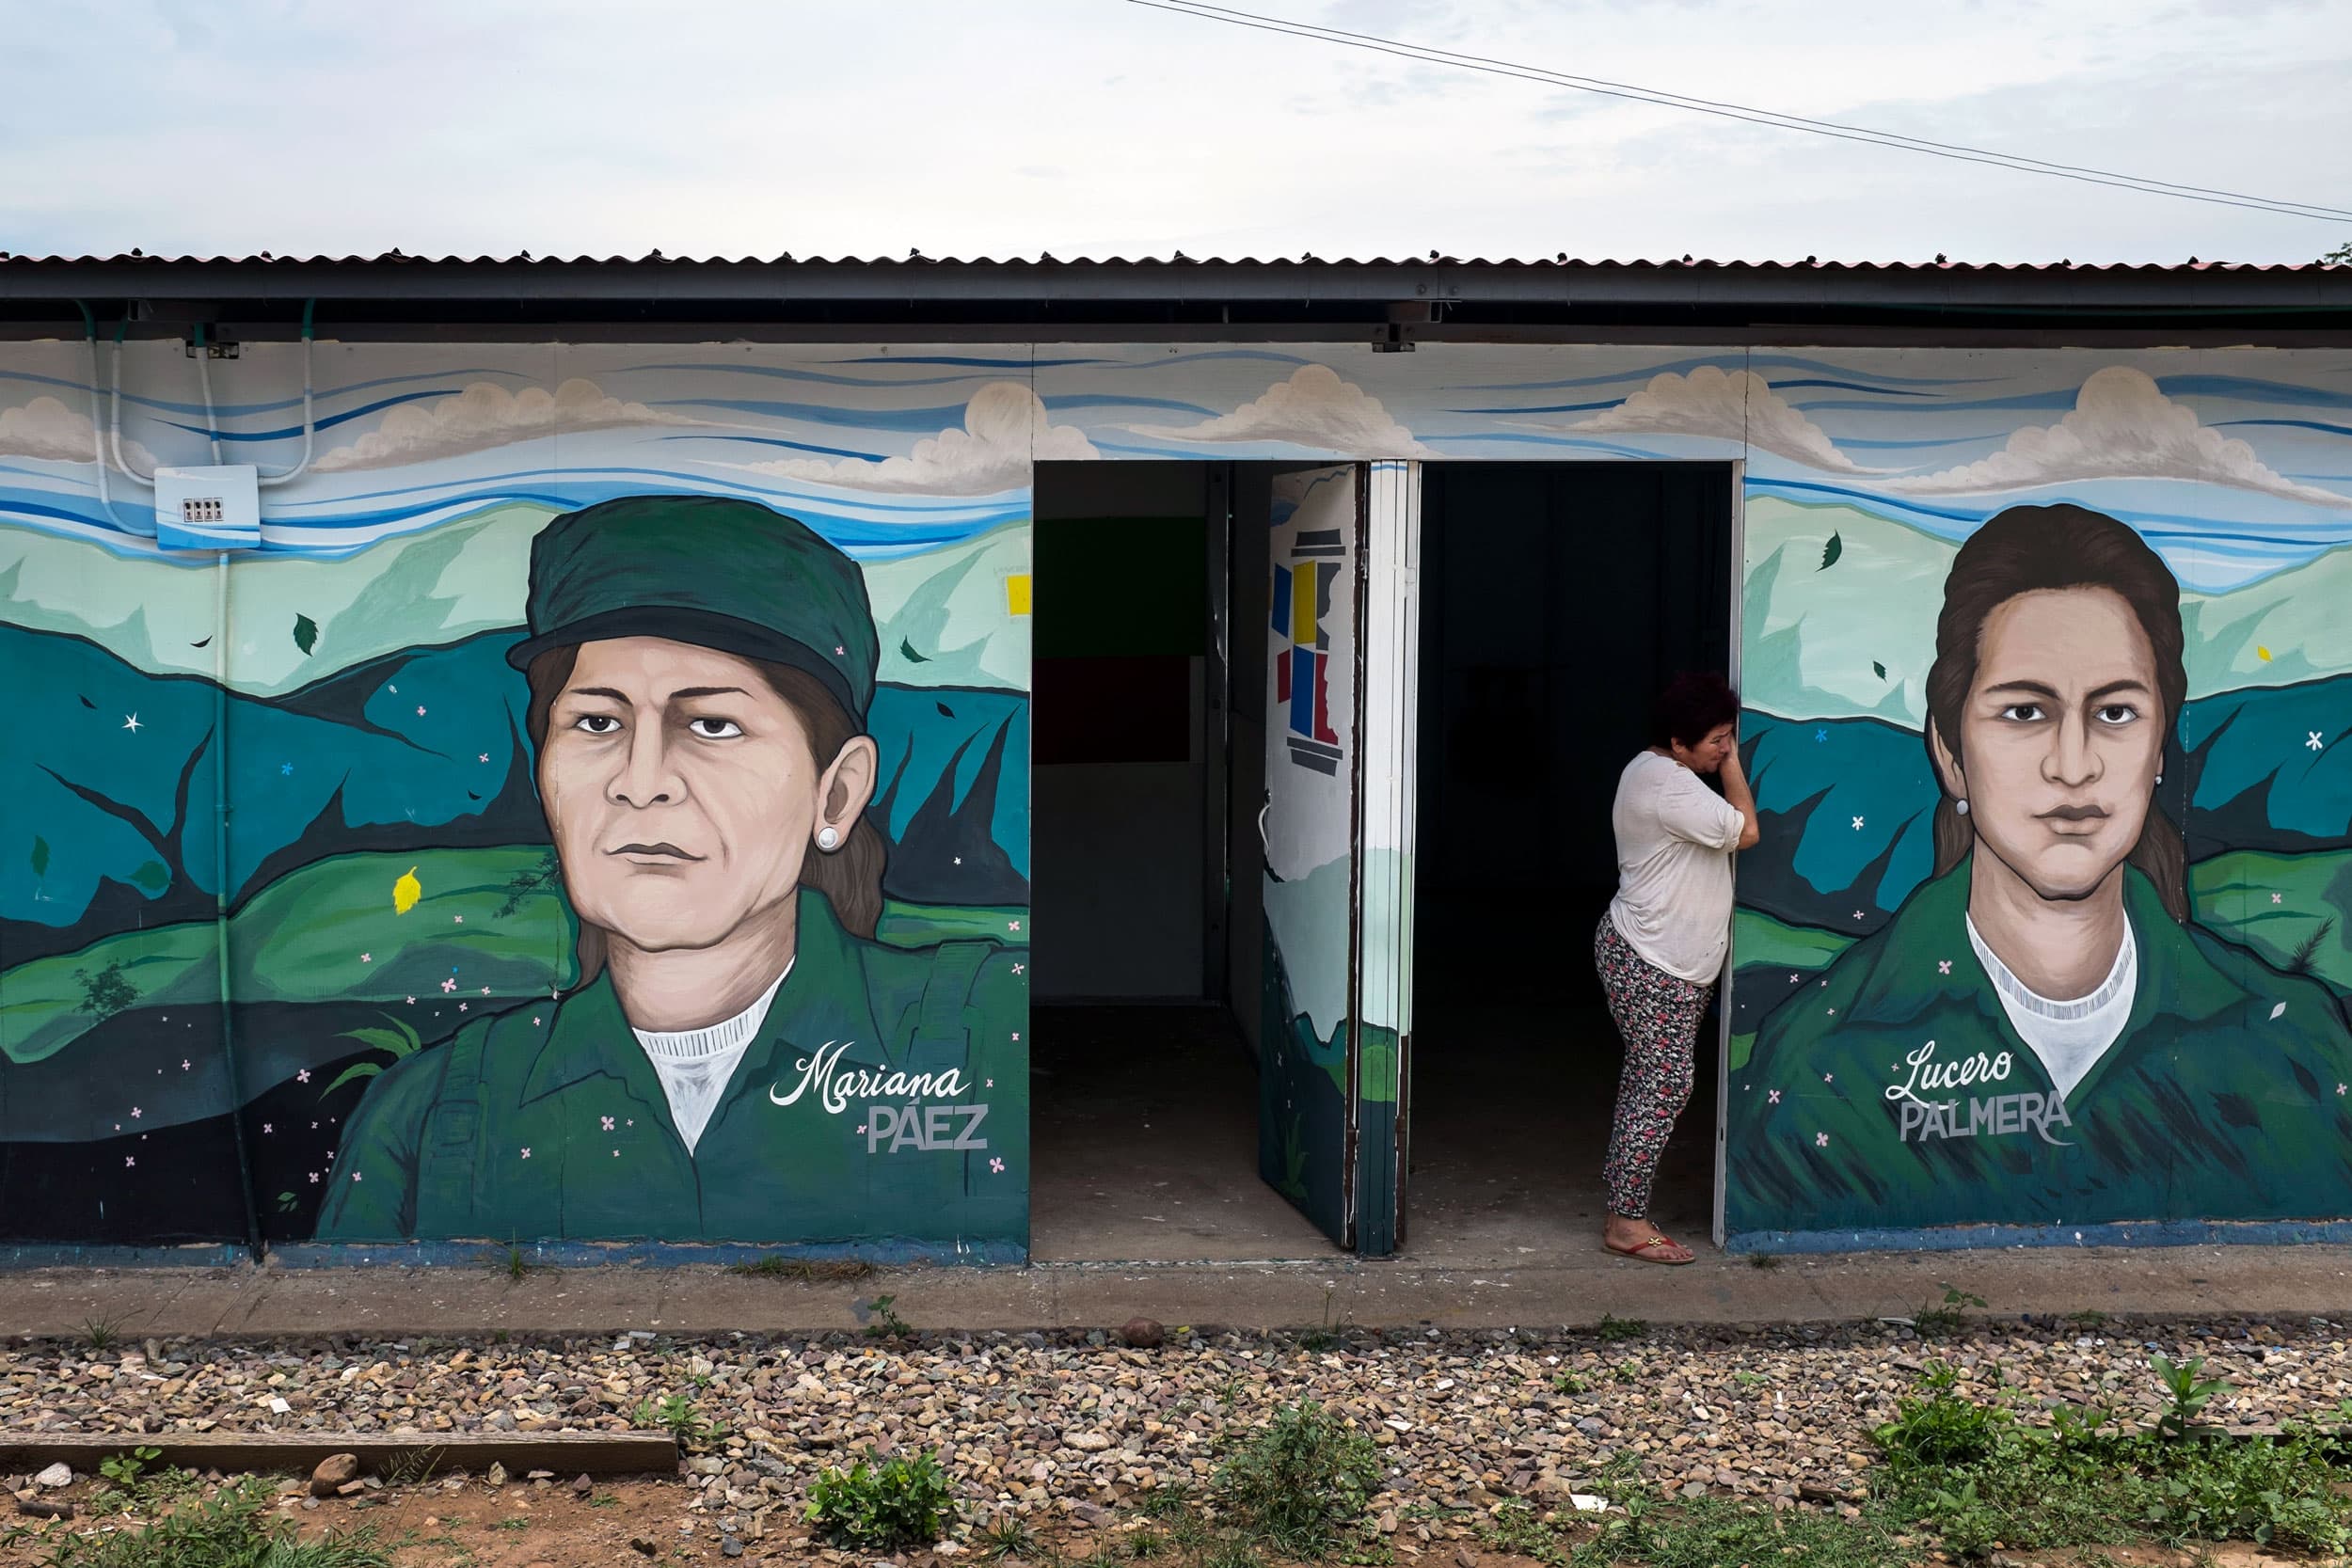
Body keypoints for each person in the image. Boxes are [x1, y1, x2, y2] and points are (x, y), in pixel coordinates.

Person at [315, 494, 1028, 1244]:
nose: (641, 777)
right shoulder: (429, 1117)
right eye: (596, 721)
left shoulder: (986, 1031)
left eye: (712, 724)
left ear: (838, 790)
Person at [1727, 504, 2352, 1236]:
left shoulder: (2294, 1045)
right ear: (1950, 752)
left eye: (2116, 712)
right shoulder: (1820, 1061)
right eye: (2025, 712)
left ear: (2159, 750)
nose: (2074, 765)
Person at [1597, 672, 1760, 1264]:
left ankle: (1625, 1205)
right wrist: (1732, 769)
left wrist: (1717, 756)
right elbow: (1748, 831)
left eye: (1729, 738)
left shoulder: (1654, 770)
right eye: (1717, 740)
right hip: (1652, 959)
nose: (1724, 749)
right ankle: (1625, 1219)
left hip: (1658, 957)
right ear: (1678, 740)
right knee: (1665, 1082)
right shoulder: (1670, 787)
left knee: (1652, 1078)